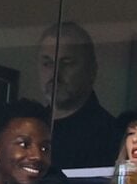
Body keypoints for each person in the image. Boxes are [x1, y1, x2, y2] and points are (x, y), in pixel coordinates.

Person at [37, 21, 119, 170]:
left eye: (67, 63)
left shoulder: (110, 136)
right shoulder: (28, 128)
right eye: (47, 63)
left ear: (91, 70)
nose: (55, 73)